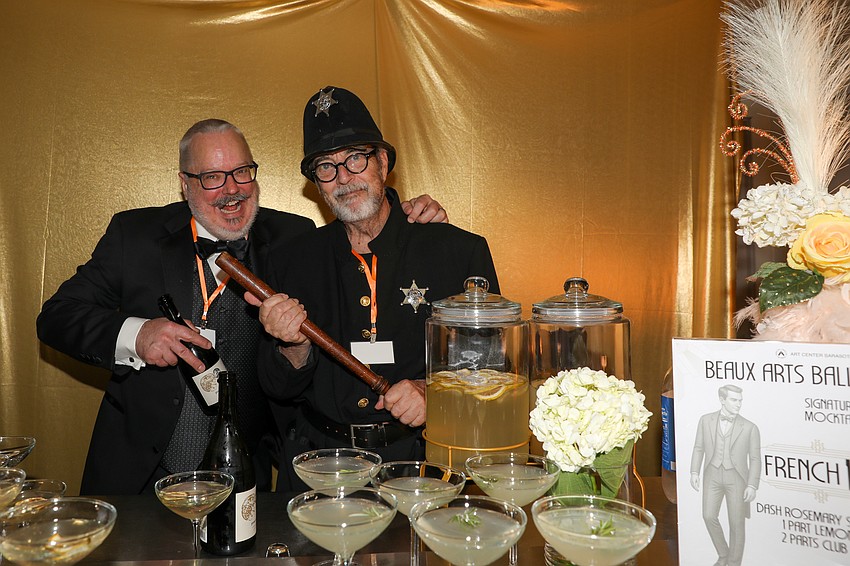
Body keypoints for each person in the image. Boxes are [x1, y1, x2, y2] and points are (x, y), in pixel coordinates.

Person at [36, 118, 446, 495]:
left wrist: (413, 220)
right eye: (212, 177)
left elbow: (364, 222)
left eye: (241, 172)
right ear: (184, 183)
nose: (231, 189)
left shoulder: (294, 238)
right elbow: (56, 317)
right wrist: (136, 334)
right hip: (141, 474)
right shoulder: (135, 235)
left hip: (247, 477)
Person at [248, 86, 500, 491]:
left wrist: (431, 391)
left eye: (355, 159)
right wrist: (292, 347)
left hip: (422, 467)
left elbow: (491, 368)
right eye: (326, 168)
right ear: (316, 183)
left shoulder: (458, 251)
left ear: (382, 162)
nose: (343, 178)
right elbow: (275, 389)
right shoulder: (291, 259)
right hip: (318, 470)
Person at [690, 384, 761, 566]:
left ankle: (734, 563)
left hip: (737, 478)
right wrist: (694, 471)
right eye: (734, 400)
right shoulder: (705, 420)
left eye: (740, 401)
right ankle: (724, 554)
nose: (738, 404)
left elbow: (755, 459)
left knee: (736, 524)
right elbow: (698, 448)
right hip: (711, 474)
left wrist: (752, 485)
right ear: (722, 400)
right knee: (708, 515)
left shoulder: (750, 427)